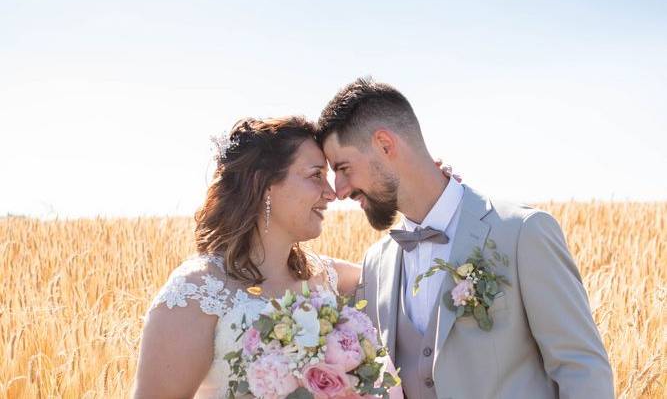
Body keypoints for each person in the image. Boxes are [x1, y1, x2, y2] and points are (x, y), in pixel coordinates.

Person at [317, 78, 615, 399]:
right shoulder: (376, 264)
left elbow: (581, 368)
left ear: (385, 145)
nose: (339, 189)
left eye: (343, 168)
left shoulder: (522, 233)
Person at [133, 117, 361, 398]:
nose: (332, 193)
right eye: (316, 175)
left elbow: (402, 270)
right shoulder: (197, 293)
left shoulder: (328, 276)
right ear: (263, 183)